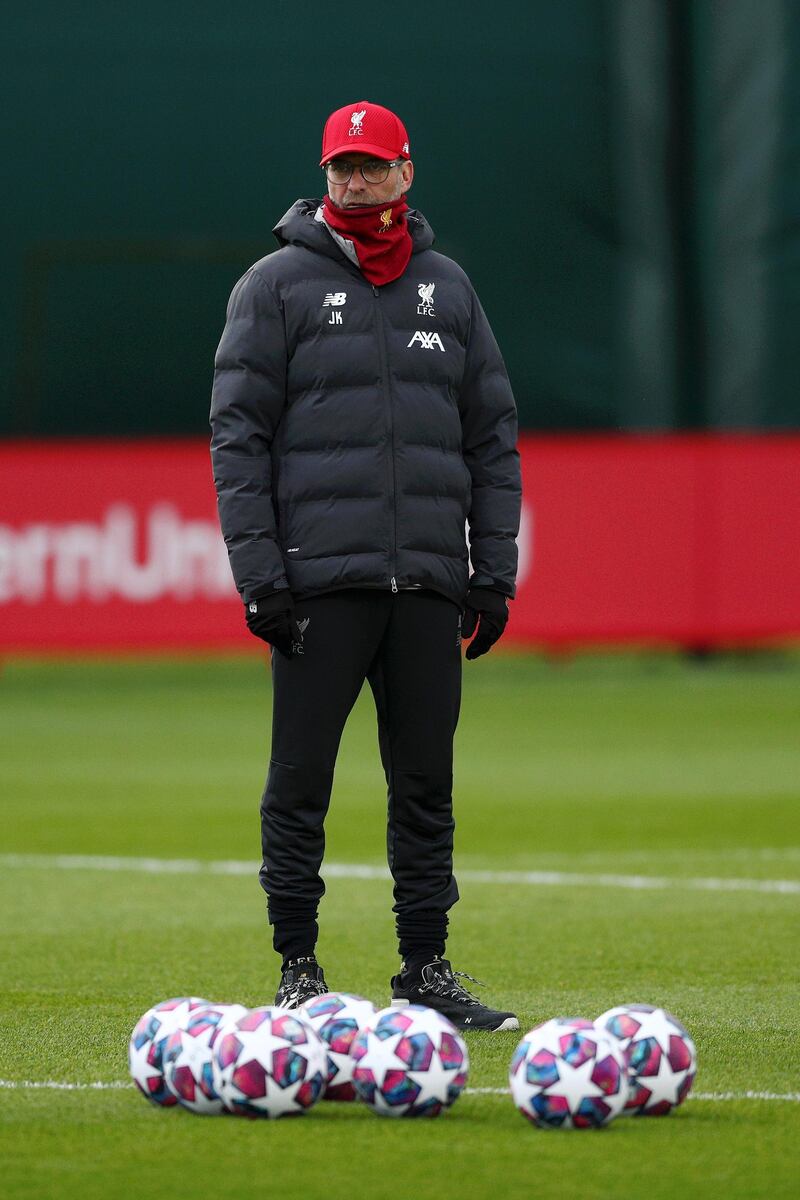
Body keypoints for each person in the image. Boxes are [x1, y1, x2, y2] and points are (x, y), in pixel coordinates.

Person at [210, 101, 521, 1031]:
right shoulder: (273, 286)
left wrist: (491, 571)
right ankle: (297, 968)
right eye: (342, 167)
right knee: (300, 780)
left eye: (372, 166)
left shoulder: (449, 289)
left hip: (427, 581)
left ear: (406, 173)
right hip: (319, 583)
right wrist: (261, 576)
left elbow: (491, 440)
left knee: (426, 784)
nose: (355, 181)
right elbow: (238, 438)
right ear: (325, 174)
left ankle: (426, 966)